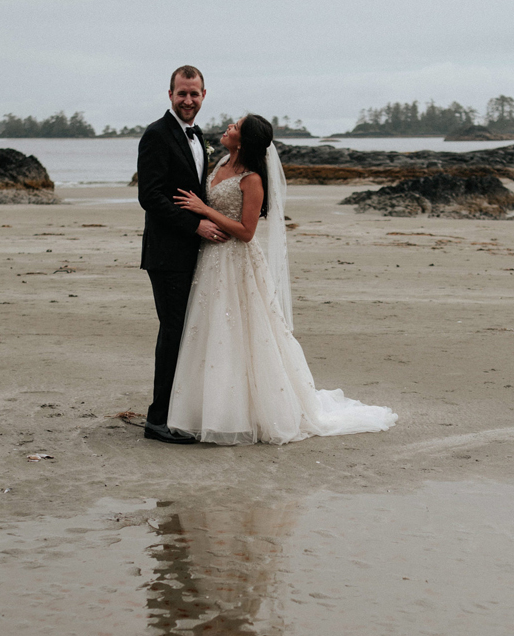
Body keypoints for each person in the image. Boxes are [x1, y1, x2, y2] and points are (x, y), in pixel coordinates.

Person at [165, 114, 398, 445]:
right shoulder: (218, 165)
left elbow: (246, 232)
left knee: (240, 332)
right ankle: (205, 411)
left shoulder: (252, 179)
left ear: (243, 141)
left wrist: (205, 210)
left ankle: (244, 414)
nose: (227, 128)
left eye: (234, 127)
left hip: (236, 261)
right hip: (211, 260)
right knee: (211, 332)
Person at [136, 65, 223, 444]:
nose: (188, 100)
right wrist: (194, 226)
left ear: (204, 95)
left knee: (187, 332)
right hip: (167, 253)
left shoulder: (199, 136)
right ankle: (157, 421)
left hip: (195, 253)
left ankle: (178, 410)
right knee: (172, 332)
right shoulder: (156, 135)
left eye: (195, 94)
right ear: (169, 95)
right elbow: (150, 196)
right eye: (182, 94)